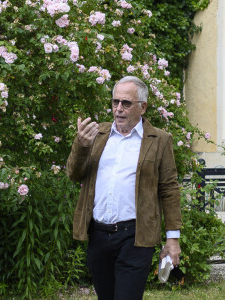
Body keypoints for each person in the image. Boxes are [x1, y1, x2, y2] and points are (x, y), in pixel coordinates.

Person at [67, 76, 182, 300]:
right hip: (99, 235)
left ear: (143, 106)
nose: (118, 109)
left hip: (135, 237)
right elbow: (74, 174)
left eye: (126, 103)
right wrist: (80, 146)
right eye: (115, 102)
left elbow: (169, 189)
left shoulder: (159, 140)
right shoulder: (96, 135)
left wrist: (173, 239)